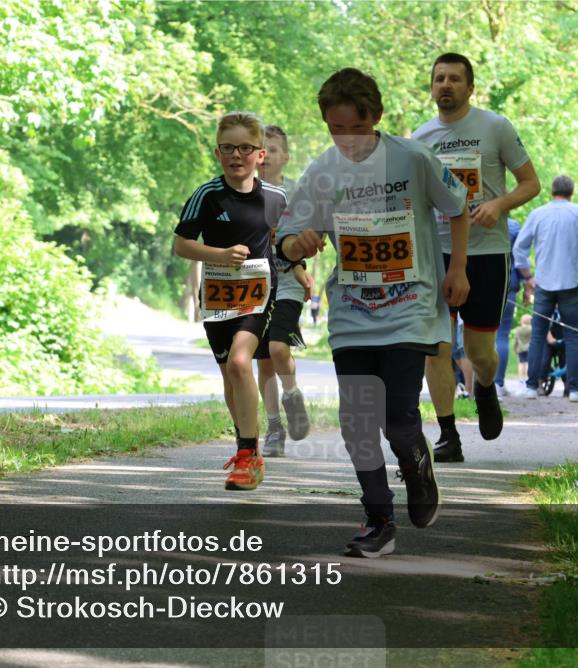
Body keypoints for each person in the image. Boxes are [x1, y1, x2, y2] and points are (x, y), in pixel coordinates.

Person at [277, 67, 470, 558]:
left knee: (398, 419)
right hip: (352, 313)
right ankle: (379, 518)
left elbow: (458, 207)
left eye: (355, 129)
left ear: (376, 117)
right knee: (358, 421)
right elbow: (288, 237)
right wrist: (295, 242)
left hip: (411, 307)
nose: (347, 141)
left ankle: (418, 468)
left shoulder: (413, 157)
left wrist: (459, 270)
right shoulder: (323, 171)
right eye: (335, 130)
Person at [412, 52, 540, 463]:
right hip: (438, 252)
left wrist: (499, 205)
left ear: (470, 87)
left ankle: (485, 387)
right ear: (431, 87)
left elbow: (531, 183)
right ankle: (448, 433)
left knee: (480, 351)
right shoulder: (420, 138)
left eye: (454, 79)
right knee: (437, 347)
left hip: (487, 252)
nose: (445, 85)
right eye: (439, 79)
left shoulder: (495, 127)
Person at [174, 111, 286, 490]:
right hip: (220, 296)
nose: (236, 154)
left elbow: (289, 241)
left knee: (241, 361)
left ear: (260, 155)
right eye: (228, 148)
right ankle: (247, 449)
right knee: (230, 374)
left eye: (245, 147)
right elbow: (181, 245)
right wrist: (218, 255)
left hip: (259, 294)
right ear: (217, 153)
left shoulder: (276, 197)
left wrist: (299, 263)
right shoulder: (207, 196)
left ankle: (247, 454)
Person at [513, 175, 578, 402]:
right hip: (572, 283)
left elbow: (519, 249)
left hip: (543, 283)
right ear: (572, 191)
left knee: (538, 335)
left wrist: (528, 278)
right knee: (573, 336)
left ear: (552, 191)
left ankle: (532, 387)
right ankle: (575, 389)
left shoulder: (538, 214)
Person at [256, 124, 312, 457]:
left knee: (279, 348)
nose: (266, 156)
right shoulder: (244, 193)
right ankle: (274, 426)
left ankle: (292, 394)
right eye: (261, 149)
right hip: (254, 287)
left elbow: (302, 239)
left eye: (273, 149)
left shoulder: (296, 194)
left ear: (285, 157)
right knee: (263, 362)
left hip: (288, 283)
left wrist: (302, 269)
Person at [494, 218, 522, 396]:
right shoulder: (512, 226)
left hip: (479, 282)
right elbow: (519, 257)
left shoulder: (475, 219)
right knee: (502, 335)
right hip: (507, 281)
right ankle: (498, 383)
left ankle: (474, 383)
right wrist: (527, 281)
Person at [452, 312, 475, 402]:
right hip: (455, 314)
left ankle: (469, 390)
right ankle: (470, 388)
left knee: (463, 350)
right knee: (456, 352)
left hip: (465, 313)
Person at [513, 314, 532, 384]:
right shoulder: (531, 329)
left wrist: (515, 348)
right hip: (529, 348)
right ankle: (527, 377)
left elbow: (516, 340)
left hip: (520, 349)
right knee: (527, 363)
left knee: (521, 363)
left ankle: (520, 378)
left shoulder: (518, 330)